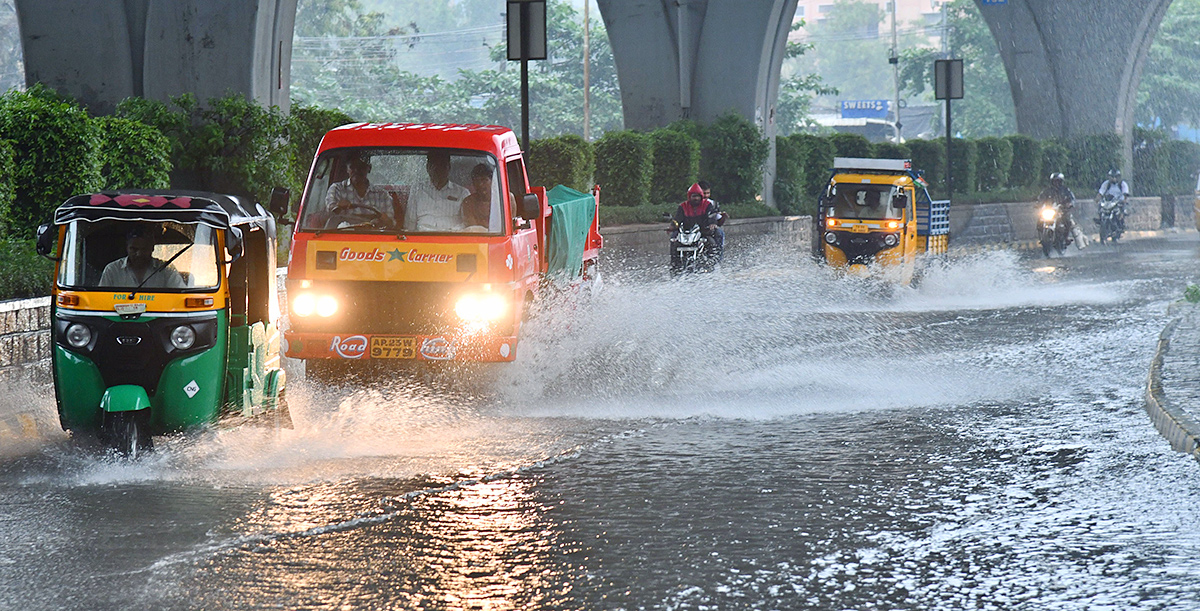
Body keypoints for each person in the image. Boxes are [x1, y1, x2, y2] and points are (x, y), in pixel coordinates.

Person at [99, 225, 186, 289]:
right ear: (127, 248)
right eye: (134, 249)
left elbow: (181, 294)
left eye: (144, 249)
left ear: (152, 248)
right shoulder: (112, 270)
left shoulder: (166, 270)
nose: (139, 254)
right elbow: (100, 298)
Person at [405, 151, 472, 231]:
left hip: (452, 237)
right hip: (422, 237)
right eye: (434, 166)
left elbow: (468, 223)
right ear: (427, 168)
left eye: (442, 166)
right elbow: (410, 222)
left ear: (449, 168)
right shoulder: (417, 190)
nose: (438, 170)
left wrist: (454, 232)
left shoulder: (463, 193)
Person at [324, 154, 395, 229]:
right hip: (343, 235)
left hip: (373, 236)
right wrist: (338, 206)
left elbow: (391, 223)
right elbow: (329, 213)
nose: (356, 171)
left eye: (361, 167)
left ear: (369, 168)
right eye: (352, 167)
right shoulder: (337, 189)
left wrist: (385, 219)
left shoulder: (382, 195)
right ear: (347, 169)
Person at [672, 183, 723, 258]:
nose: (696, 198)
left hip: (703, 230)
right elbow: (677, 219)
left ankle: (715, 258)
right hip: (687, 232)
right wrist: (672, 226)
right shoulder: (683, 206)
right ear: (689, 197)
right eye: (694, 196)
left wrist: (712, 223)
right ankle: (675, 264)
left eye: (698, 196)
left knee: (717, 234)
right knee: (673, 238)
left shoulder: (707, 204)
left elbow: (712, 215)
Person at [460, 163, 514, 231]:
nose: (480, 184)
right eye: (477, 181)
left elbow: (510, 227)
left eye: (484, 180)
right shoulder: (468, 202)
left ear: (493, 181)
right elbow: (474, 230)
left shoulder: (507, 198)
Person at [1038, 172, 1086, 249]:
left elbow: (1072, 199)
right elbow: (1041, 198)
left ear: (1061, 182)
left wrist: (1070, 204)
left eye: (1058, 181)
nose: (1056, 183)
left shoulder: (1066, 190)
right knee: (1040, 219)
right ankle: (1042, 235)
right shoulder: (1047, 191)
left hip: (1062, 211)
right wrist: (1038, 204)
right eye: (1054, 181)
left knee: (1067, 221)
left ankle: (1065, 238)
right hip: (1050, 210)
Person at [698, 180, 729, 253]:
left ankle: (717, 257)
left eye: (708, 193)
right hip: (691, 229)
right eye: (703, 193)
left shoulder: (713, 204)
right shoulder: (691, 203)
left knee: (719, 232)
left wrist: (723, 217)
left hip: (707, 229)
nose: (706, 196)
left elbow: (717, 219)